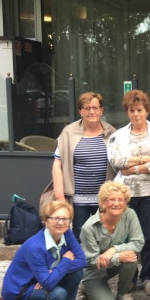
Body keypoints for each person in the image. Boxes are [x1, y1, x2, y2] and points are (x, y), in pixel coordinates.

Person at [108, 89, 150, 296]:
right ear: (127, 112)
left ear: (147, 111)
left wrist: (132, 166)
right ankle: (129, 278)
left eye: (140, 110)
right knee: (127, 236)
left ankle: (148, 277)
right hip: (127, 193)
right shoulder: (119, 135)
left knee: (149, 236)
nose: (136, 114)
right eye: (132, 110)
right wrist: (145, 160)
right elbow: (116, 161)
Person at [1, 200, 87, 300]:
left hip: (42, 277)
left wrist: (52, 272)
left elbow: (82, 260)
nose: (61, 222)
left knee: (77, 272)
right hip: (20, 288)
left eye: (65, 218)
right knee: (59, 294)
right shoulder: (35, 247)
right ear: (46, 221)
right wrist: (66, 260)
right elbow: (48, 283)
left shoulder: (67, 233)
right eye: (56, 218)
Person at [51, 92, 117, 240]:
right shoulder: (68, 132)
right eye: (86, 108)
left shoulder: (111, 133)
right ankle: (81, 264)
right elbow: (57, 165)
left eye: (95, 107)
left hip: (105, 200)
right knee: (80, 238)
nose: (91, 112)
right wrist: (60, 198)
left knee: (104, 238)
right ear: (80, 111)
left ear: (102, 110)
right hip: (78, 200)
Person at [80, 181, 145, 300]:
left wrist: (113, 250)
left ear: (125, 203)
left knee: (131, 257)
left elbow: (138, 242)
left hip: (113, 265)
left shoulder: (130, 215)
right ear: (103, 203)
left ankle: (123, 294)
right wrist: (118, 257)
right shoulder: (89, 227)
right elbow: (91, 260)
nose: (116, 203)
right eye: (111, 199)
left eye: (121, 199)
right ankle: (86, 286)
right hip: (94, 270)